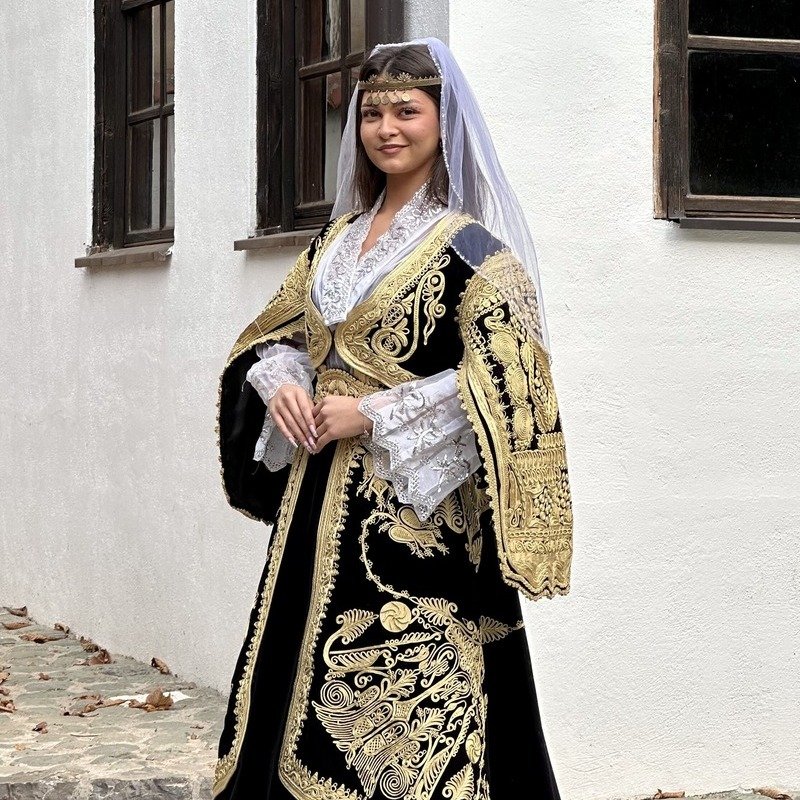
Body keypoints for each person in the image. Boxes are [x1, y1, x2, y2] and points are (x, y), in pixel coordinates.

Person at [213, 37, 573, 800]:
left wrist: (375, 414)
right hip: (313, 509)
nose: (387, 129)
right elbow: (279, 332)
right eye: (372, 113)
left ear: (444, 122)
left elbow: (511, 381)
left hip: (414, 525)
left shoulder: (475, 253)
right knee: (283, 682)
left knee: (395, 715)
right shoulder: (334, 244)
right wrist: (278, 377)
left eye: (407, 111)